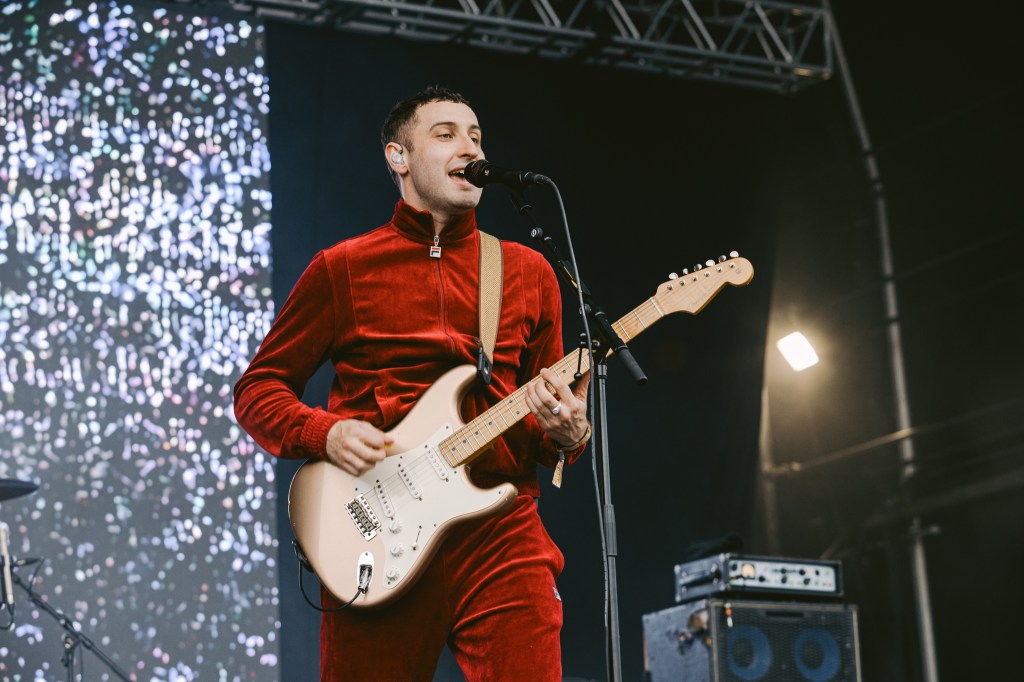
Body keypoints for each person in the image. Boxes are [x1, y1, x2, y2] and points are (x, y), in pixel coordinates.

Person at [233, 86, 592, 680]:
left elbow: (546, 423)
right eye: (445, 134)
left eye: (476, 136)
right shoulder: (343, 268)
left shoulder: (529, 272)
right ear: (398, 157)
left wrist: (569, 433)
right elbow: (258, 390)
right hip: (376, 529)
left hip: (500, 532)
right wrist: (326, 433)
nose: (470, 148)